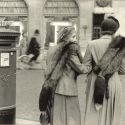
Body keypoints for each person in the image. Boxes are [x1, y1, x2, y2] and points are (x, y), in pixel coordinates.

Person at [82, 16, 125, 125]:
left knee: (94, 114)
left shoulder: (92, 44)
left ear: (101, 30)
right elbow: (123, 69)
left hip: (95, 82)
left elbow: (86, 67)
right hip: (113, 82)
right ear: (114, 31)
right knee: (111, 114)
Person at [39, 26, 83, 125]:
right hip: (68, 89)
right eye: (74, 36)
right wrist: (90, 66)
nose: (76, 39)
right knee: (72, 117)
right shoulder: (71, 49)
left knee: (57, 117)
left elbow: (48, 66)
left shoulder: (51, 49)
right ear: (67, 37)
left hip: (53, 88)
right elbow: (80, 68)